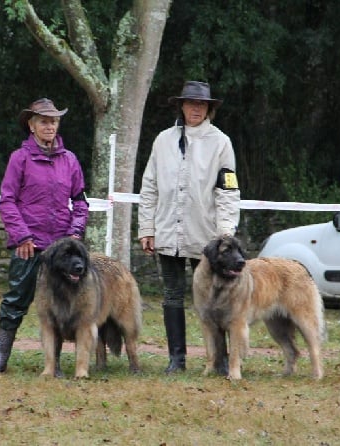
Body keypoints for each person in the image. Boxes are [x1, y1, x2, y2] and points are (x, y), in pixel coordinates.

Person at [138, 80, 241, 374]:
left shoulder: (221, 142)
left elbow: (228, 190)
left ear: (209, 109)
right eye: (191, 103)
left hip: (206, 236)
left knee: (213, 300)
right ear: (181, 105)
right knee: (172, 294)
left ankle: (219, 360)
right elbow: (149, 187)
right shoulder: (163, 141)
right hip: (168, 230)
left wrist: (225, 233)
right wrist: (147, 228)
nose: (196, 109)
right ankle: (176, 359)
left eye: (202, 104)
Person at [0, 98, 89, 373]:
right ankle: (1, 358)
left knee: (63, 303)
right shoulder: (19, 159)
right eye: (44, 121)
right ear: (31, 125)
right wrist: (21, 236)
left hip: (62, 247)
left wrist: (75, 233)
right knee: (16, 299)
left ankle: (55, 364)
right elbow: (7, 201)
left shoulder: (70, 160)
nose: (50, 126)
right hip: (28, 245)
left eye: (53, 121)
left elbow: (80, 201)